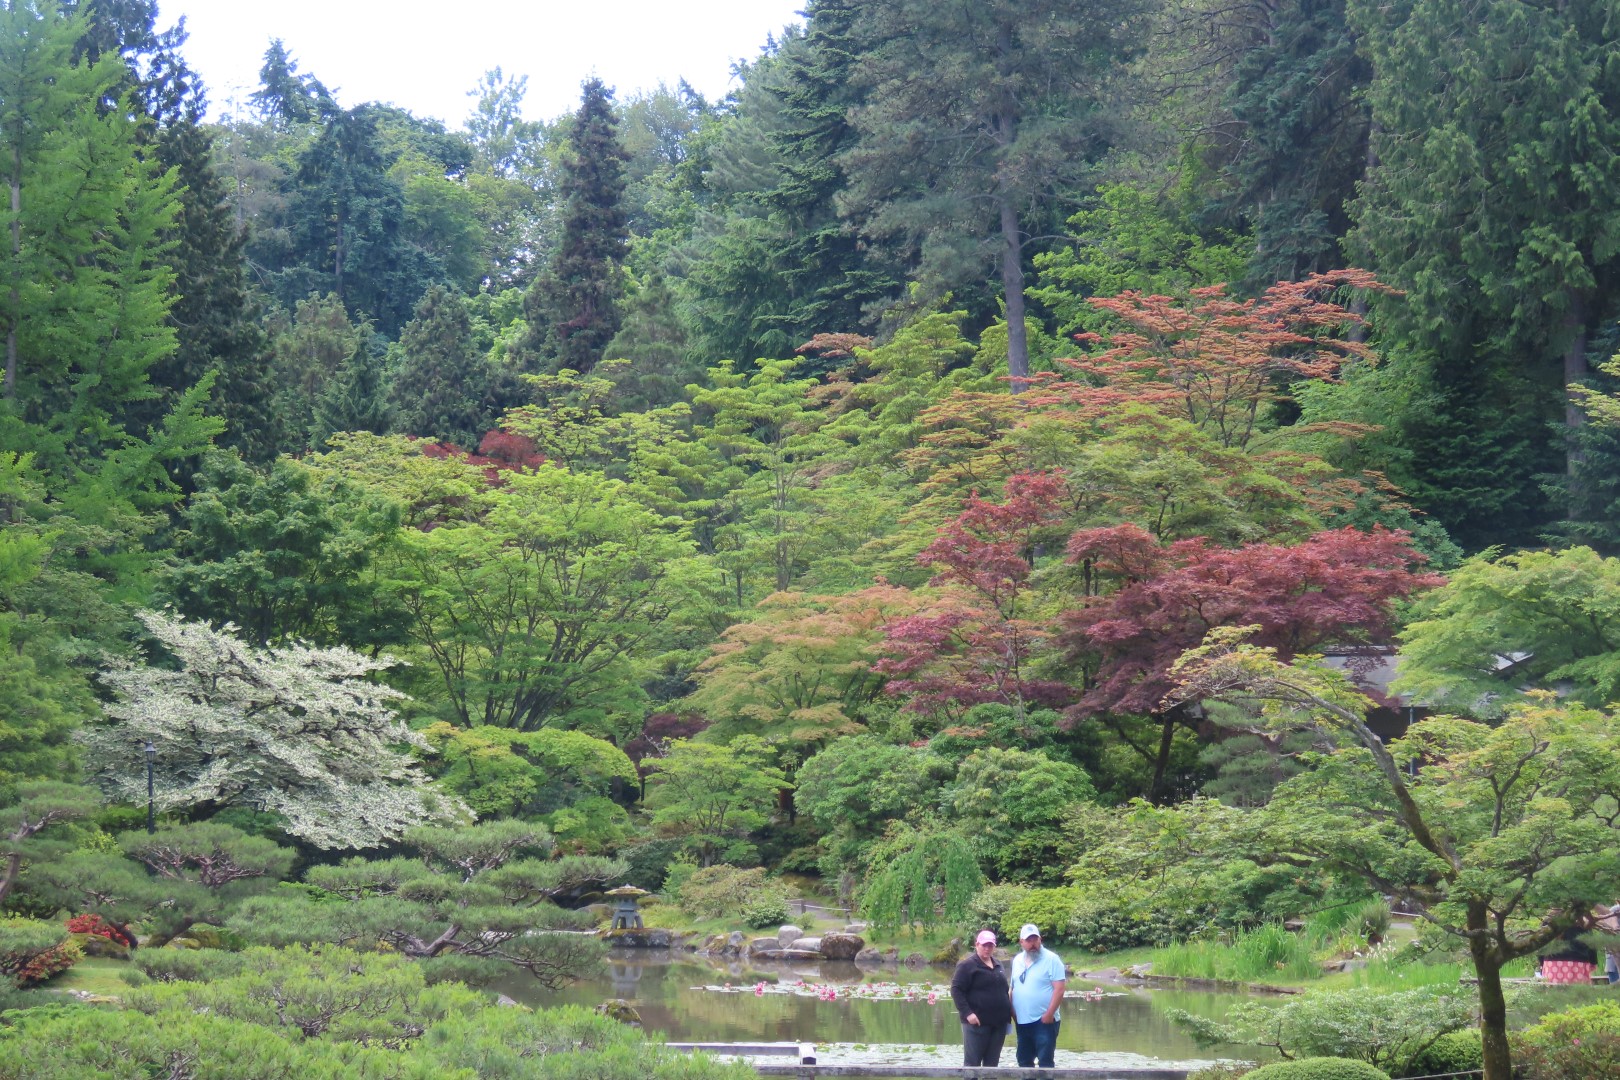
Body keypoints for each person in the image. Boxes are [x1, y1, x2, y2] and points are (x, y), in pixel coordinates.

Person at [949, 929, 1012, 1067]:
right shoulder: (967, 965)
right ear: (977, 945)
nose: (987, 948)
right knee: (972, 1064)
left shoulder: (998, 964)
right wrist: (968, 1013)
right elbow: (956, 990)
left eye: (990, 945)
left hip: (998, 1024)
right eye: (984, 945)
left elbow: (1004, 990)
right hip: (976, 1023)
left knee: (992, 1065)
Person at [1010, 922, 1066, 1068]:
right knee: (1024, 1062)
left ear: (1040, 939)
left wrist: (1049, 1014)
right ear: (1021, 942)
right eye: (1028, 940)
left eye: (1035, 939)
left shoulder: (1052, 959)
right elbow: (1013, 988)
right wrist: (1013, 1014)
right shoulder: (1017, 961)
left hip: (1044, 1021)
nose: (1033, 944)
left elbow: (1059, 989)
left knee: (1045, 1063)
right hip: (1022, 1021)